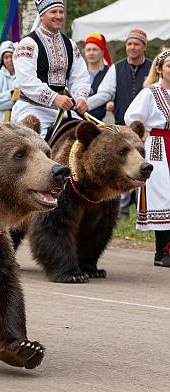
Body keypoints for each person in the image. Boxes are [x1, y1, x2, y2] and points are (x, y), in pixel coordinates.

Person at [87, 28, 152, 218]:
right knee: (123, 167)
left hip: (147, 129)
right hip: (122, 130)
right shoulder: (116, 68)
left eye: (136, 44)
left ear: (143, 47)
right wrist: (82, 104)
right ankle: (121, 211)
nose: (132, 47)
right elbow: (105, 93)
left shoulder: (151, 68)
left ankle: (145, 210)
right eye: (129, 44)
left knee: (144, 167)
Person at [11, 0, 90, 138]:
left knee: (90, 138)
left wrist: (81, 97)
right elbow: (26, 80)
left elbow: (79, 76)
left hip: (63, 109)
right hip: (32, 108)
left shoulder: (69, 44)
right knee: (36, 149)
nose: (58, 16)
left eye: (61, 12)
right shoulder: (28, 44)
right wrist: (54, 98)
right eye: (53, 12)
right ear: (42, 16)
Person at [125, 48, 170, 267]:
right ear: (160, 69)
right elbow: (132, 119)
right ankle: (162, 251)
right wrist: (143, 142)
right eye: (169, 65)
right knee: (162, 195)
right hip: (158, 148)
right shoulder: (150, 93)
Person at [83, 33, 112, 121]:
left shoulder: (110, 72)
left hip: (103, 121)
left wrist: (112, 103)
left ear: (102, 51)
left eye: (95, 49)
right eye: (88, 50)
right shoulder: (79, 73)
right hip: (79, 119)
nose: (91, 53)